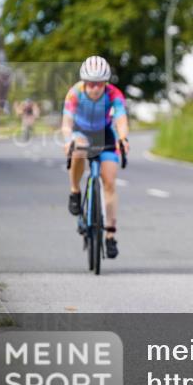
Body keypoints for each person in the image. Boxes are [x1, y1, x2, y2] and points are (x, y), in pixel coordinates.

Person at [61, 56, 130, 259]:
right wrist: (68, 140)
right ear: (84, 81)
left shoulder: (113, 94)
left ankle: (110, 234)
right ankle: (75, 190)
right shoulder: (74, 93)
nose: (95, 88)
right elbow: (66, 122)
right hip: (81, 131)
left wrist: (123, 138)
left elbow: (121, 118)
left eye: (99, 83)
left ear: (105, 82)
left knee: (109, 181)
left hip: (105, 133)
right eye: (90, 83)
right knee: (79, 149)